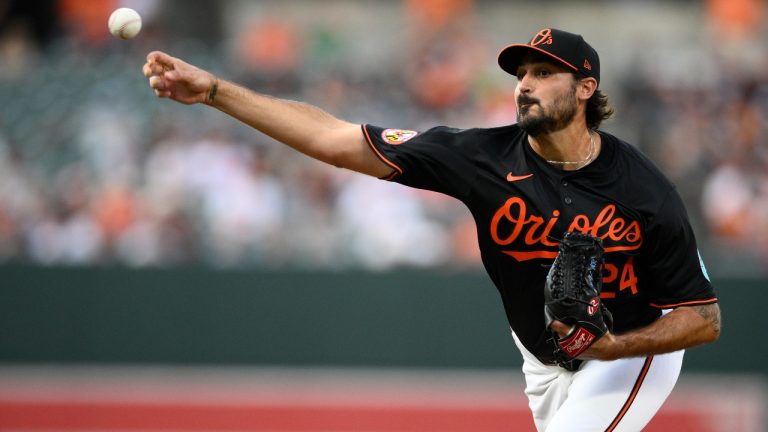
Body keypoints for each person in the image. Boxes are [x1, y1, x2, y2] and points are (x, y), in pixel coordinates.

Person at [143, 27, 721, 432]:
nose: (524, 84)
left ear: (586, 89)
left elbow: (703, 317)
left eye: (544, 73)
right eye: (521, 73)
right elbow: (336, 140)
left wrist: (614, 345)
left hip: (630, 348)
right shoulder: (482, 157)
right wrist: (217, 93)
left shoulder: (643, 188)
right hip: (541, 356)